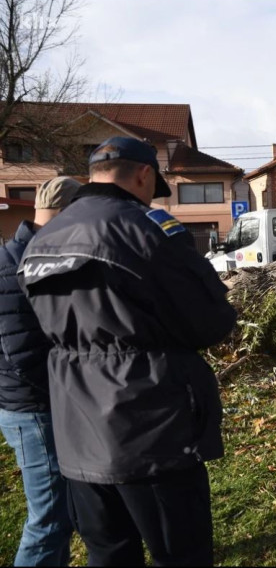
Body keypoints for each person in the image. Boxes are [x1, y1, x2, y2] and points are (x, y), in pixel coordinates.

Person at [18, 136, 238, 566]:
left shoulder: (42, 240)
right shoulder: (146, 228)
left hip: (77, 430)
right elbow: (211, 320)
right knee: (180, 554)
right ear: (143, 175)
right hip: (150, 427)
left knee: (108, 553)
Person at [0, 177, 81, 566]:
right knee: (49, 519)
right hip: (33, 410)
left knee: (59, 514)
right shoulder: (14, 266)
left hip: (38, 405)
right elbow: (22, 353)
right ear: (67, 214)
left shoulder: (40, 255)